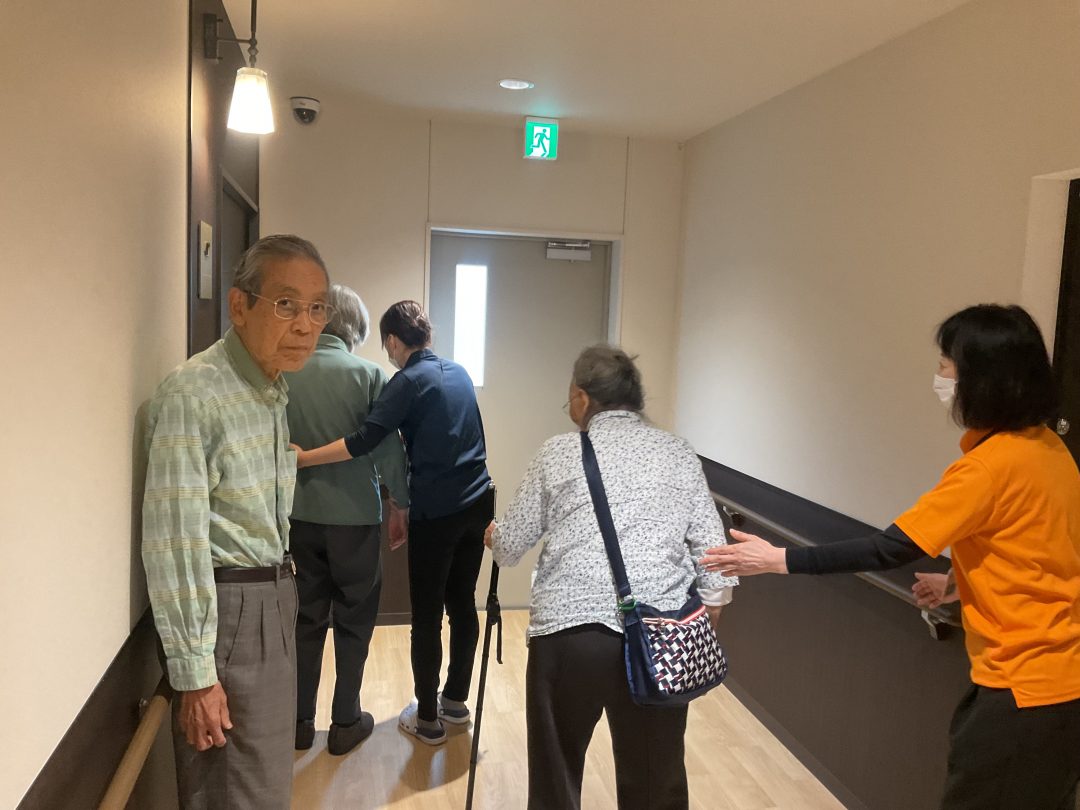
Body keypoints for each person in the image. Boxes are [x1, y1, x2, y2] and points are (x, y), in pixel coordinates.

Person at [703, 304, 1080, 810]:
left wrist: (778, 559)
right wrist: (956, 584)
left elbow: (888, 548)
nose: (941, 376)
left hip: (1021, 691)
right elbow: (1039, 549)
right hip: (1063, 687)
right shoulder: (1048, 448)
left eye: (946, 364)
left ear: (981, 378)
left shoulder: (989, 468)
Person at [486, 345, 737, 810]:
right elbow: (714, 554)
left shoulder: (558, 452)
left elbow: (510, 547)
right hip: (660, 634)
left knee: (556, 773)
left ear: (582, 398)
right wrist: (702, 619)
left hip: (569, 636)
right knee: (656, 779)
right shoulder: (678, 452)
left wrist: (494, 537)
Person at [142, 234, 330, 809]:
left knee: (265, 787)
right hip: (227, 615)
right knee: (236, 793)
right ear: (239, 305)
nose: (305, 325)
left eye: (317, 308)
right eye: (286, 304)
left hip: (273, 597)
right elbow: (174, 540)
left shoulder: (268, 388)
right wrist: (196, 675)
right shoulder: (195, 395)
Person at [294, 300, 493, 746]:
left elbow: (368, 439)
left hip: (436, 513)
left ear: (392, 341)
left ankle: (427, 720)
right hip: (478, 503)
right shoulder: (459, 372)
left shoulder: (405, 381)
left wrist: (304, 458)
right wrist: (402, 504)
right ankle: (454, 702)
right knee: (463, 603)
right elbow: (470, 436)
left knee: (426, 615)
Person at [283, 284, 410, 756]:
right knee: (355, 619)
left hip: (298, 515)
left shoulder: (286, 372)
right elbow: (388, 447)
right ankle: (345, 721)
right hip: (355, 517)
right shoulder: (369, 375)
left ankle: (299, 722)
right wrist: (400, 503)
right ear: (355, 327)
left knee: (306, 618)